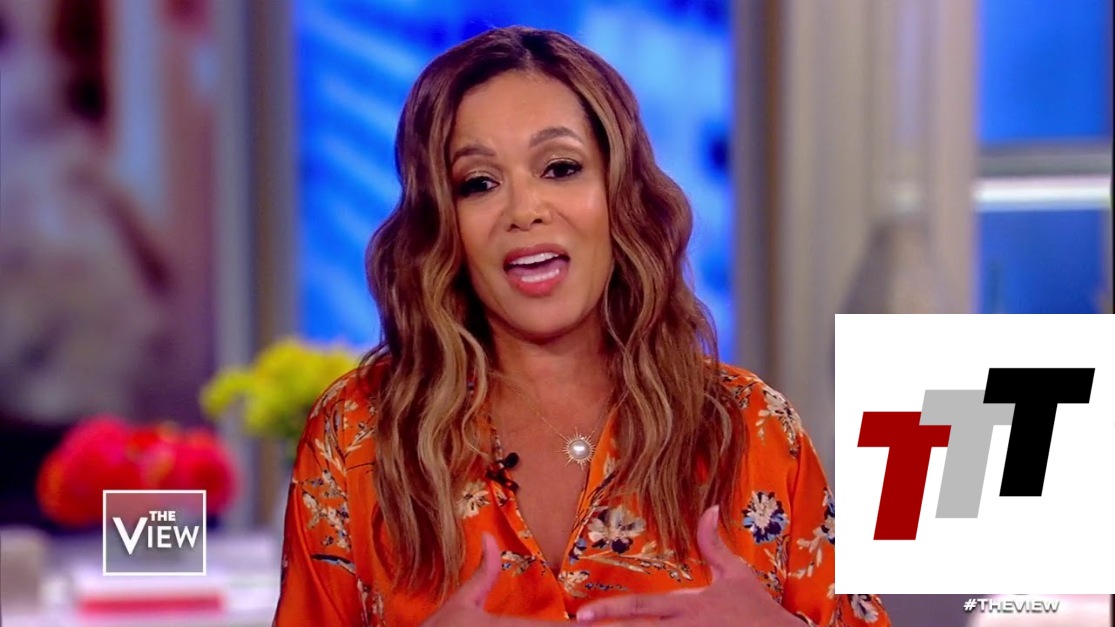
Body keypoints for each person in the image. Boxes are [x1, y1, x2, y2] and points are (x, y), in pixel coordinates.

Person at [274, 26, 890, 626]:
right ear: (443, 224)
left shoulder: (750, 429)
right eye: (479, 183)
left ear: (620, 195)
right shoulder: (357, 436)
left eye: (560, 168)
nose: (524, 210)